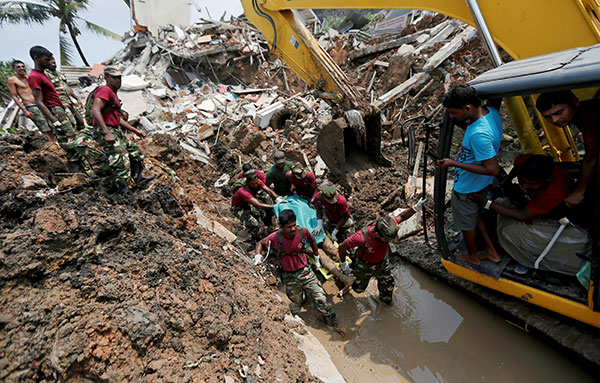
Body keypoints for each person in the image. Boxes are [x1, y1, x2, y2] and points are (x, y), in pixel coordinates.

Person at [469, 154, 588, 275]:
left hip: (559, 215)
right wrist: (507, 181)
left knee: (509, 231)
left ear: (548, 179)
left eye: (531, 183)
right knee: (504, 206)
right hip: (538, 202)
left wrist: (487, 203)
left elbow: (523, 215)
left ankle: (527, 258)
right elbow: (516, 170)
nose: (525, 185)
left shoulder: (554, 191)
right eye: (522, 180)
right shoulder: (524, 161)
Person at [434, 84, 503, 265]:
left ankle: (473, 257)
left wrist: (453, 163)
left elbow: (492, 169)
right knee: (476, 217)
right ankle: (491, 252)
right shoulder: (492, 112)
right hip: (481, 183)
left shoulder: (479, 134)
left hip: (468, 187)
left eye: (454, 113)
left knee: (467, 225)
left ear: (467, 108)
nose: (451, 117)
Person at [254, 209, 337, 326]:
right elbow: (260, 243)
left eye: (294, 225)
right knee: (296, 301)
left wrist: (317, 257)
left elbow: (312, 241)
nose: (293, 229)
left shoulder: (303, 232)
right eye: (289, 227)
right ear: (282, 227)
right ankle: (301, 305)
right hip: (289, 276)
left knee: (321, 298)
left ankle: (330, 318)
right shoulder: (275, 237)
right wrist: (258, 256)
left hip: (305, 271)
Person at [337, 199, 425, 304]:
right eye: (387, 239)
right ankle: (344, 276)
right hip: (365, 264)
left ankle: (385, 303)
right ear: (377, 235)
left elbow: (401, 217)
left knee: (388, 290)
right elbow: (342, 247)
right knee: (358, 289)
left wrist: (416, 207)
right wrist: (344, 265)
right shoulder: (360, 238)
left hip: (382, 263)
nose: (388, 241)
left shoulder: (387, 224)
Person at [87, 66, 152, 192]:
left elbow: (117, 118)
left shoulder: (113, 93)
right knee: (120, 161)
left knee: (135, 151)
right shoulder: (104, 90)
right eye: (114, 77)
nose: (118, 80)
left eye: (119, 77)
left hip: (115, 130)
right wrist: (106, 133)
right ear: (106, 78)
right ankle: (123, 191)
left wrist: (135, 130)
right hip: (106, 130)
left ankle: (138, 179)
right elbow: (95, 110)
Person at [536, 90, 600, 208]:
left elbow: (592, 156)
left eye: (559, 112)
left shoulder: (589, 114)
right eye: (548, 117)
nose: (554, 120)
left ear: (575, 102)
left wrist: (579, 192)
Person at [28, 46, 85, 172]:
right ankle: (77, 170)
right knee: (69, 140)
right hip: (54, 111)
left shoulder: (43, 74)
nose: (49, 62)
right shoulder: (34, 76)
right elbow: (38, 101)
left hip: (59, 109)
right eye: (46, 59)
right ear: (36, 59)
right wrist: (54, 121)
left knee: (71, 139)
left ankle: (80, 171)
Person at [7, 60, 51, 137]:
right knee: (44, 128)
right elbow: (14, 96)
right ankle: (50, 145)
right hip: (31, 106)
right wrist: (24, 110)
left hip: (40, 104)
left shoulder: (28, 78)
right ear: (14, 69)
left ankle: (53, 144)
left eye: (23, 66)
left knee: (50, 126)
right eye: (18, 67)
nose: (21, 68)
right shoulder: (12, 80)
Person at [231, 169, 276, 239]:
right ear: (248, 183)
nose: (255, 185)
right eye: (253, 184)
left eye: (256, 183)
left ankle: (268, 227)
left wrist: (279, 199)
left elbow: (269, 191)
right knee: (254, 224)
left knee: (263, 214)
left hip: (248, 203)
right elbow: (258, 205)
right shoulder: (242, 190)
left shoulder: (256, 181)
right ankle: (259, 238)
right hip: (239, 208)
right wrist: (275, 206)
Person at [45, 57, 85, 130]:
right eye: (50, 63)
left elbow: (67, 87)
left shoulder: (60, 74)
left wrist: (77, 99)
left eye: (54, 63)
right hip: (60, 103)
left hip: (69, 101)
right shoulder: (46, 75)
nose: (53, 65)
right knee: (70, 123)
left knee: (80, 121)